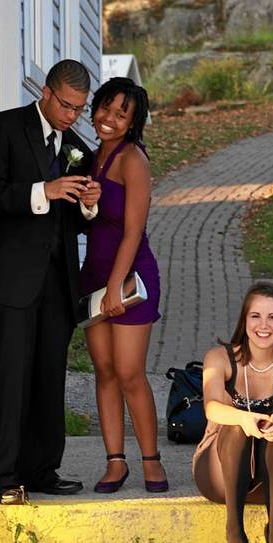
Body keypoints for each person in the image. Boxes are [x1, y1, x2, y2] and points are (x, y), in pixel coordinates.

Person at [0, 59, 101, 505]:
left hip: (58, 284)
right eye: (66, 105)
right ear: (46, 92)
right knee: (11, 379)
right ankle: (1, 478)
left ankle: (42, 469)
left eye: (79, 109)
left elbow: (79, 225)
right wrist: (41, 191)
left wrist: (88, 205)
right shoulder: (1, 128)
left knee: (49, 378)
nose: (71, 116)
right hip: (10, 282)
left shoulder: (79, 146)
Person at [78, 77, 167, 493]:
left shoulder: (134, 159)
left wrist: (115, 288)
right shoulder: (94, 155)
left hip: (131, 278)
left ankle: (151, 460)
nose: (109, 119)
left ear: (133, 123)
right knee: (105, 371)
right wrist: (90, 204)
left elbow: (133, 232)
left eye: (121, 114)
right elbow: (96, 220)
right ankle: (116, 462)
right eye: (105, 108)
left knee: (130, 372)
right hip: (94, 274)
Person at [195, 283, 273, 543]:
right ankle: (234, 529)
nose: (263, 325)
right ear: (244, 321)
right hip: (219, 474)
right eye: (255, 316)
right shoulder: (219, 358)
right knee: (236, 426)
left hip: (271, 478)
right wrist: (244, 418)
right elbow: (211, 406)